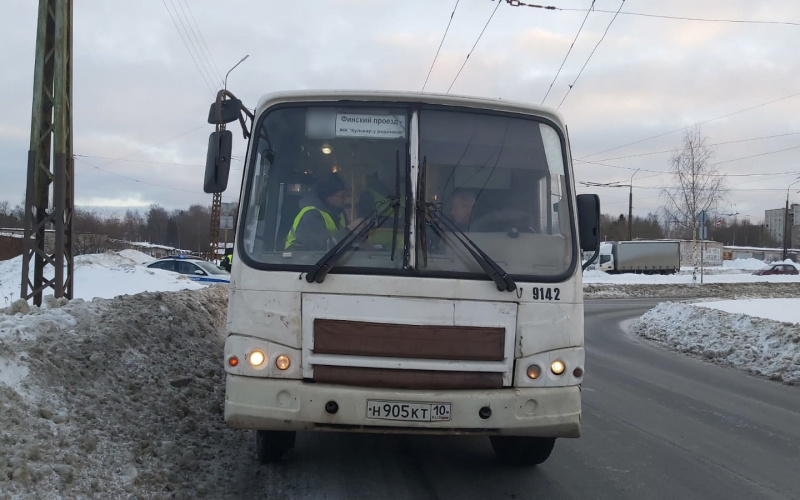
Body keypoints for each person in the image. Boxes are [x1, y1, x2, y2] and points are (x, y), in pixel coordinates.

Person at [285, 173, 362, 251]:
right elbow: (323, 247)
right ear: (330, 198)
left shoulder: (340, 214)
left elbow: (342, 244)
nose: (344, 199)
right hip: (297, 260)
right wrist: (350, 230)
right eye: (342, 196)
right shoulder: (310, 215)